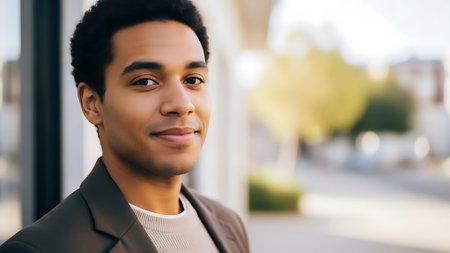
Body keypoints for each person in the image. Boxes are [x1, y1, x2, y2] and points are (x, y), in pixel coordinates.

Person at [0, 0, 249, 252]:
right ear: (92, 104)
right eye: (145, 82)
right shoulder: (42, 247)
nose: (182, 104)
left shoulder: (228, 225)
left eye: (193, 79)